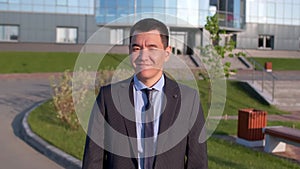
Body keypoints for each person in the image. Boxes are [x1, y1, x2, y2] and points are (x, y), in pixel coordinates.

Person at [82, 18, 208, 169]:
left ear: (167, 53)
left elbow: (197, 162)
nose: (143, 56)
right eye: (136, 48)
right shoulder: (108, 97)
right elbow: (92, 160)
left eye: (152, 48)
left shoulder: (189, 99)